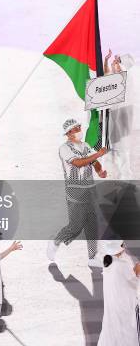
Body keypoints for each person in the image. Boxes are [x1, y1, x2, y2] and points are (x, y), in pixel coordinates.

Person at [47, 119, 108, 268]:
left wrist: (99, 170)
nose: (80, 129)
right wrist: (98, 154)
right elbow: (78, 163)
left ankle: (92, 257)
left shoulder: (86, 145)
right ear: (68, 133)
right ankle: (56, 241)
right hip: (75, 190)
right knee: (76, 226)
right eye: (76, 128)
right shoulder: (64, 148)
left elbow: (93, 162)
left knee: (92, 224)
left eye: (79, 127)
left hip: (90, 189)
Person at [97, 240, 140, 345]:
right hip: (125, 306)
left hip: (113, 305)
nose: (124, 247)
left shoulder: (107, 261)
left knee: (112, 329)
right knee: (128, 331)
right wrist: (138, 269)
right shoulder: (122, 265)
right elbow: (133, 280)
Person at [103, 49, 136, 179]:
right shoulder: (115, 78)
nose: (114, 64)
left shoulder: (127, 79)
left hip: (121, 123)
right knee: (108, 153)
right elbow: (105, 77)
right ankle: (110, 181)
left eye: (117, 62)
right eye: (114, 62)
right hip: (111, 122)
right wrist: (106, 61)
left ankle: (126, 183)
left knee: (122, 152)